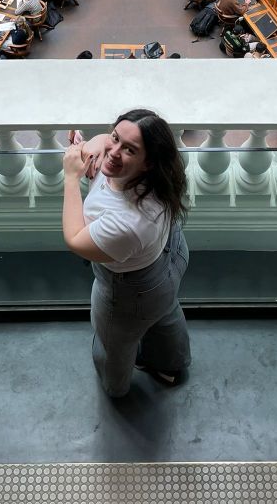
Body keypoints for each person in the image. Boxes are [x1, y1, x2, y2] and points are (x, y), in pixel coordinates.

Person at [61, 109, 190, 396]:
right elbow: (109, 141)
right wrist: (97, 143)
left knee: (114, 346)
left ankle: (116, 388)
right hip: (169, 254)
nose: (113, 151)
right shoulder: (160, 177)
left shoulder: (128, 223)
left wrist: (71, 178)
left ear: (148, 163)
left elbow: (75, 238)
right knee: (165, 312)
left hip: (132, 291)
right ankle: (170, 366)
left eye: (129, 150)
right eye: (116, 138)